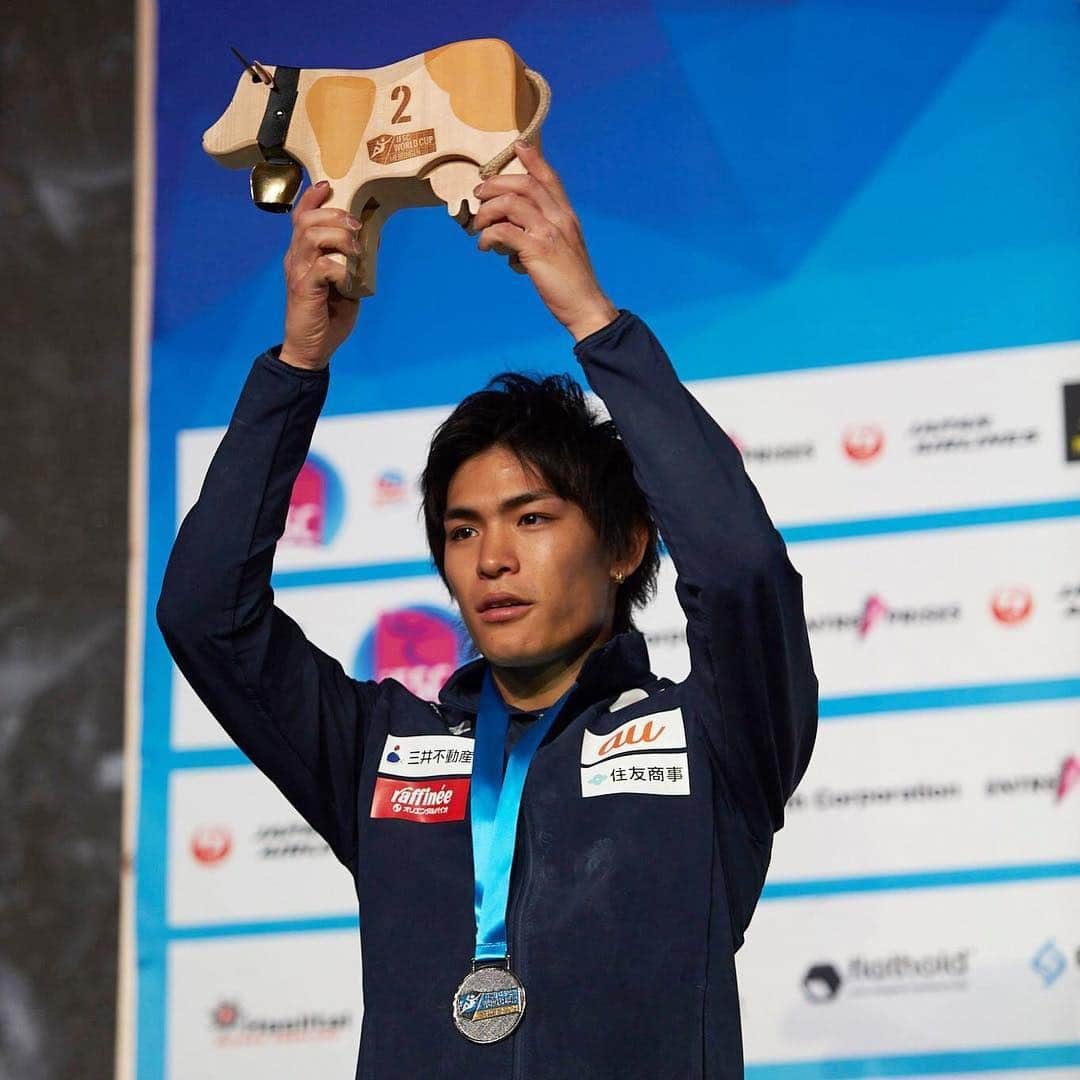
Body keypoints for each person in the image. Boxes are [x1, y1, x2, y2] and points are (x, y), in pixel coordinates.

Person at [157, 139, 818, 1079]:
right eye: (462, 532)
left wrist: (592, 319)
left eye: (533, 517)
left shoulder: (712, 736)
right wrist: (298, 363)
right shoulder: (379, 752)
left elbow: (743, 569)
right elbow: (204, 611)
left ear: (627, 544)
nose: (493, 558)